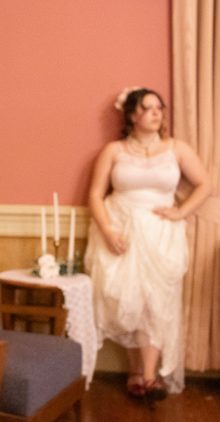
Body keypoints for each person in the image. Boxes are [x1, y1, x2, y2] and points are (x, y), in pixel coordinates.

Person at [85, 87, 211, 399]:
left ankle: (150, 376)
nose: (157, 113)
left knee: (157, 303)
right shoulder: (113, 151)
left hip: (161, 234)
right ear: (132, 115)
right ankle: (135, 373)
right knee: (129, 303)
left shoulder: (176, 148)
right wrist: (109, 231)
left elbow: (205, 184)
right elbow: (95, 195)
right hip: (121, 229)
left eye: (159, 108)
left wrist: (181, 211)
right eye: (148, 108)